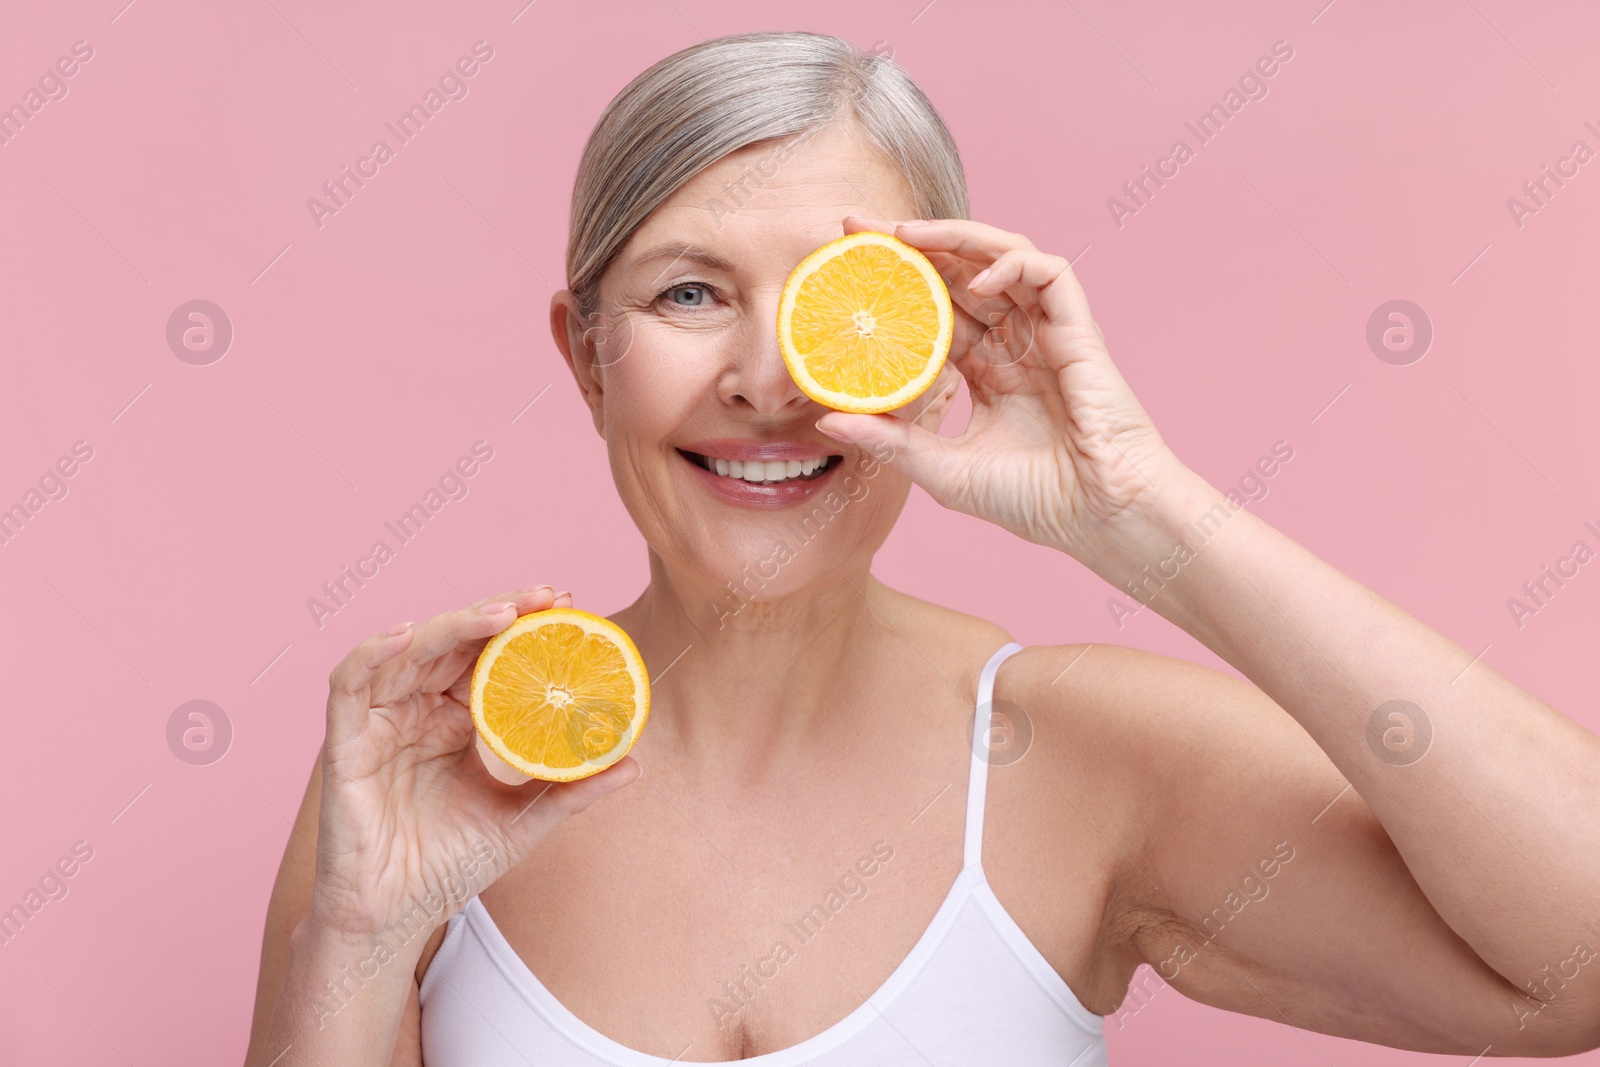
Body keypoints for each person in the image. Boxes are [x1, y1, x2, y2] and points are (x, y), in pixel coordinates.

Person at [244, 30, 1600, 1066]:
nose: (767, 381)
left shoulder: (1082, 755)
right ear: (587, 356)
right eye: (690, 292)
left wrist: (1147, 518)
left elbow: (1577, 962)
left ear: (941, 344)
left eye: (841, 302)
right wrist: (357, 949)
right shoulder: (430, 777)